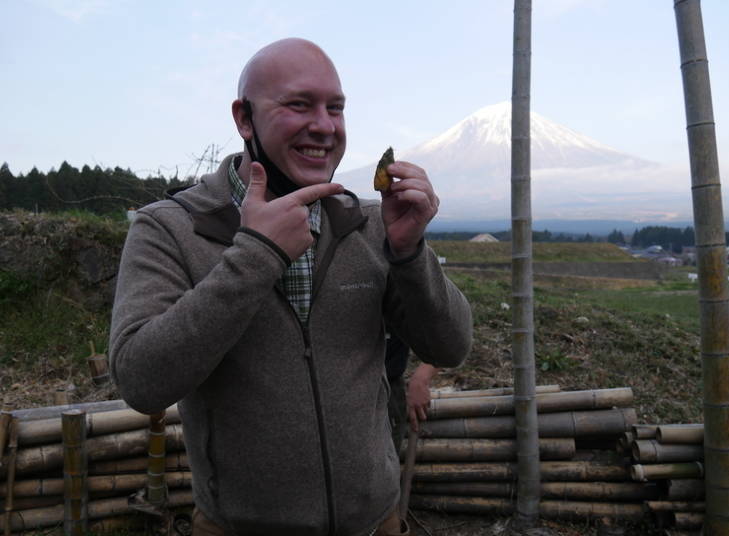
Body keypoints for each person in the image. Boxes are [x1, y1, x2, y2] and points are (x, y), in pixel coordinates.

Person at [109, 37, 472, 536]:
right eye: (298, 104)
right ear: (244, 119)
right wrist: (255, 255)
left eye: (335, 108)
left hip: (376, 521)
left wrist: (409, 253)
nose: (324, 126)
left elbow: (450, 346)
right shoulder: (169, 228)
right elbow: (140, 380)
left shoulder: (367, 224)